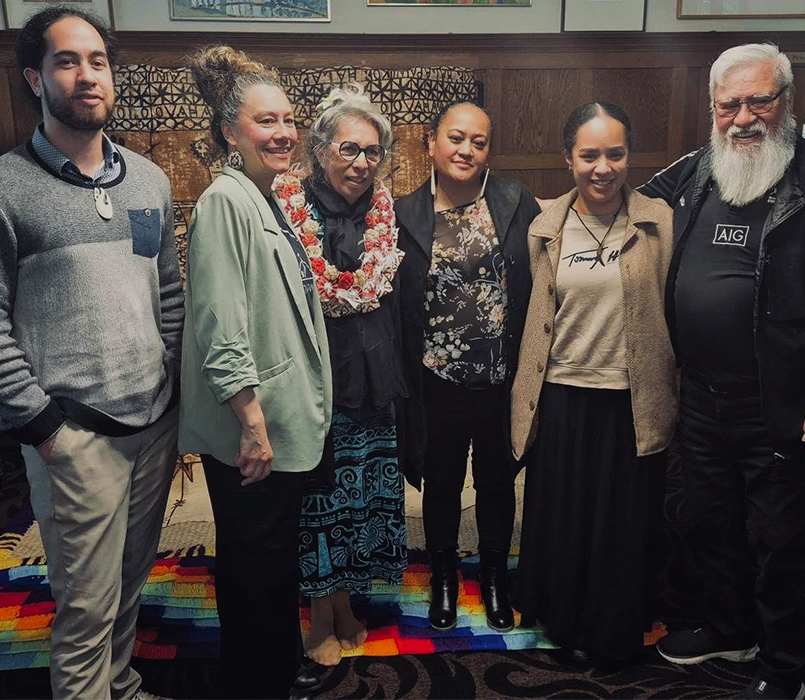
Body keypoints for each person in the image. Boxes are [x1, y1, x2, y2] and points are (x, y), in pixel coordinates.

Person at [639, 43, 805, 700]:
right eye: (730, 104)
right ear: (713, 108)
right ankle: (727, 627)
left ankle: (785, 666)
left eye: (759, 100)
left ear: (787, 102)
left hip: (788, 400)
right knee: (706, 521)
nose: (744, 117)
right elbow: (624, 206)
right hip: (701, 397)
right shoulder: (695, 170)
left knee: (783, 540)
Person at [0, 8, 182, 698]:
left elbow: (164, 289)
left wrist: (169, 372)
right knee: (84, 607)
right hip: (74, 436)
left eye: (98, 61)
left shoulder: (147, 181)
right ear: (34, 77)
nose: (87, 75)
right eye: (66, 61)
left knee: (129, 582)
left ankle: (121, 684)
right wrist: (46, 430)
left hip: (154, 425)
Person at [179, 46, 332, 699]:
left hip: (282, 418)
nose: (283, 133)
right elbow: (221, 324)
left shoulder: (267, 197)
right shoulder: (225, 201)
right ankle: (257, 678)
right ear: (228, 132)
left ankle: (277, 659)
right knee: (252, 560)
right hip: (253, 423)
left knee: (270, 555)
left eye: (288, 119)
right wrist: (251, 423)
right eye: (265, 122)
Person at [510, 102, 677, 665]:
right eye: (589, 155)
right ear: (568, 158)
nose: (602, 167)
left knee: (621, 521)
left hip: (632, 399)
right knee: (564, 515)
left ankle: (611, 626)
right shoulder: (544, 225)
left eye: (615, 153)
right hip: (559, 393)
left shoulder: (660, 222)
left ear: (629, 156)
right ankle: (564, 619)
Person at [272, 84, 407, 667]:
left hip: (374, 374)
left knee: (366, 492)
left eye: (372, 151)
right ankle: (321, 609)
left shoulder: (385, 208)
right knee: (318, 499)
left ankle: (351, 600)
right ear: (321, 149)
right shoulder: (283, 207)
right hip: (313, 377)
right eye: (349, 149)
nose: (361, 162)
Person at [395, 101, 540, 632]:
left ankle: (497, 576)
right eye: (457, 138)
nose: (467, 151)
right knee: (442, 482)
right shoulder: (404, 212)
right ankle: (443, 578)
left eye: (479, 142)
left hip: (501, 377)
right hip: (436, 380)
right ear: (431, 141)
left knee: (499, 481)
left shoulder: (513, 200)